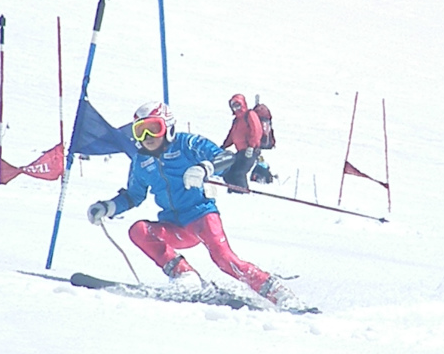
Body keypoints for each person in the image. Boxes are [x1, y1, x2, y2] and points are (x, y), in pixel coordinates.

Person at [86, 101, 309, 312]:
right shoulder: (141, 161)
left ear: (168, 128)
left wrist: (205, 168)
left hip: (202, 218)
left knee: (225, 260)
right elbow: (134, 195)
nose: (147, 137)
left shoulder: (186, 144)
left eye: (153, 129)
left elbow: (226, 157)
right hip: (174, 226)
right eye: (140, 131)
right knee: (139, 231)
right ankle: (185, 276)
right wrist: (108, 207)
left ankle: (280, 294)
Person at [221, 93, 262, 192]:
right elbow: (232, 135)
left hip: (250, 151)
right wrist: (224, 146)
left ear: (243, 104)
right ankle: (233, 192)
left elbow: (256, 130)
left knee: (239, 173)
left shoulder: (249, 114)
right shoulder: (237, 120)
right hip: (241, 151)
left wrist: (251, 146)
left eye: (238, 105)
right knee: (229, 173)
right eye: (234, 106)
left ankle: (243, 194)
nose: (236, 108)